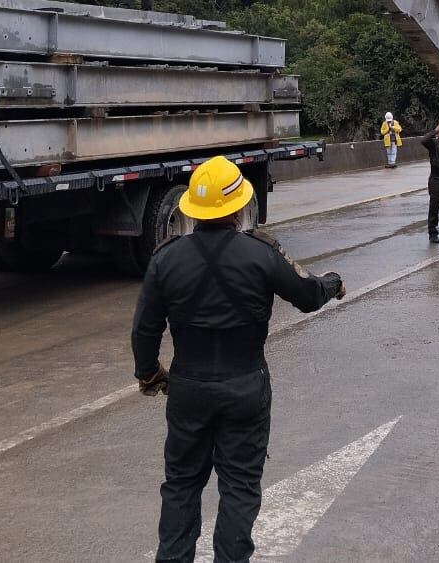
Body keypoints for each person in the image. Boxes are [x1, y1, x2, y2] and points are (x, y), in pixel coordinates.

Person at [131, 155, 345, 563]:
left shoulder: (165, 258)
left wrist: (149, 374)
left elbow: (144, 330)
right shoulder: (262, 253)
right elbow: (306, 295)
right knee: (240, 488)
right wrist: (333, 284)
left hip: (188, 389)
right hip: (245, 386)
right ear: (237, 206)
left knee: (180, 486)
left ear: (192, 208)